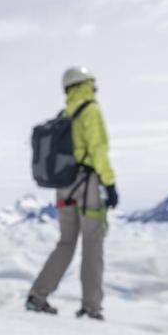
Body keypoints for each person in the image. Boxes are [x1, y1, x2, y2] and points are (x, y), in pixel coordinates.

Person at [26, 67, 118, 321]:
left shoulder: (66, 113)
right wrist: (109, 184)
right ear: (86, 83)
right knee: (92, 243)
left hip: (63, 186)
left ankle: (37, 296)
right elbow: (98, 150)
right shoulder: (90, 110)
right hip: (87, 185)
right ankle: (91, 307)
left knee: (66, 242)